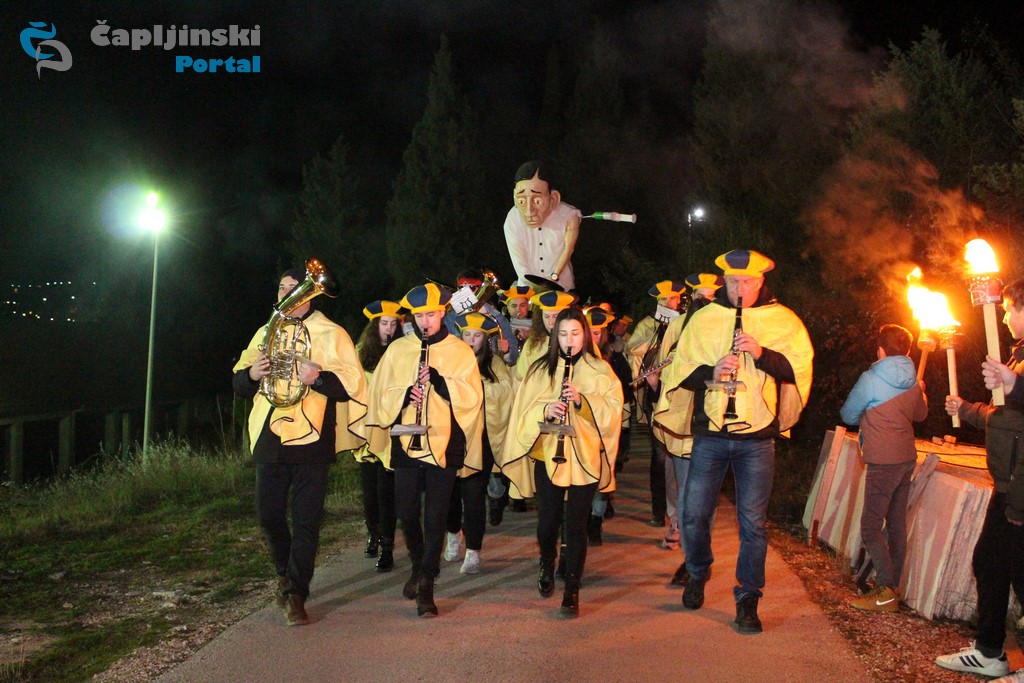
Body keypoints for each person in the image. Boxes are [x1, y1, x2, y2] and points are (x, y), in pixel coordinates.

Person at [663, 249, 813, 634]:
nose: (740, 289)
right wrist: (712, 370)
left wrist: (761, 354)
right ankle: (697, 571)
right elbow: (683, 371)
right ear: (724, 283)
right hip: (712, 432)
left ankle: (748, 597)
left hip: (756, 438)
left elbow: (797, 368)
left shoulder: (782, 319)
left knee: (753, 523)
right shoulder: (705, 317)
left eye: (747, 282)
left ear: (761, 282)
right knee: (694, 513)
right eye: (733, 282)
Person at [232, 267, 368, 627]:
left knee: (307, 521)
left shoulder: (332, 333)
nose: (287, 294)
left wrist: (318, 378)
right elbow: (239, 385)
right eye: (282, 288)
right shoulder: (266, 332)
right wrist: (251, 375)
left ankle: (296, 593)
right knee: (268, 514)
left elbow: (351, 387)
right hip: (270, 436)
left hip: (313, 437)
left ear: (309, 295)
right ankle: (285, 572)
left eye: (296, 289)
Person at [365, 283, 483, 618]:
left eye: (430, 314)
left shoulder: (460, 351)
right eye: (419, 316)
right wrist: (405, 395)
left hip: (445, 443)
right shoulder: (399, 350)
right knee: (405, 512)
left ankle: (428, 583)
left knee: (435, 517)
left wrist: (441, 382)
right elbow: (380, 393)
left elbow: (472, 396)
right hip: (405, 440)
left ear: (443, 312)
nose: (424, 321)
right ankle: (418, 565)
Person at [498, 308, 623, 618]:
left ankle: (572, 589)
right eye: (563, 334)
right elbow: (523, 410)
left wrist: (582, 402)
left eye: (576, 334)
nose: (570, 340)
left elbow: (613, 411)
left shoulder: (600, 370)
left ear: (585, 334)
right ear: (556, 336)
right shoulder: (541, 369)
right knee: (547, 522)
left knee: (577, 525)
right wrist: (545, 410)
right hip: (548, 453)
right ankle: (546, 562)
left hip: (584, 457)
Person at [935, 278, 1024, 679]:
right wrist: (968, 409)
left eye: (1009, 309)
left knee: (1019, 572)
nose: (1004, 316)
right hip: (1008, 484)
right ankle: (990, 652)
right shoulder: (1019, 356)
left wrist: (1015, 383)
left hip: (1021, 488)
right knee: (990, 562)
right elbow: (1005, 419)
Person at [839, 324, 928, 612]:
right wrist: (921, 393)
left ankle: (886, 589)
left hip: (883, 461)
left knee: (870, 526)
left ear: (880, 349)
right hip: (906, 458)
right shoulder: (913, 380)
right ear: (908, 351)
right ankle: (893, 588)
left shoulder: (871, 378)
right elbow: (921, 414)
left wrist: (869, 409)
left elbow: (848, 414)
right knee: (897, 525)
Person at [651, 272, 724, 586]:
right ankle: (691, 559)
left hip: (712, 422)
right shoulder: (677, 326)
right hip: (683, 423)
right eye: (699, 297)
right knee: (685, 496)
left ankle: (699, 559)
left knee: (705, 498)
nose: (703, 303)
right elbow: (667, 375)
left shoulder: (725, 326)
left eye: (709, 298)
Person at [442, 312, 514, 573]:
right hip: (451, 438)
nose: (471, 340)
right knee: (448, 496)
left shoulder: (494, 364)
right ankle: (452, 535)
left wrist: (479, 389)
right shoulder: (448, 361)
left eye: (477, 336)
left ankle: (473, 551)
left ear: (484, 339)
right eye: (467, 335)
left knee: (474, 497)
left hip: (480, 440)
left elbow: (506, 393)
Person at [626, 280, 687, 529]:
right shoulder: (647, 324)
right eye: (665, 300)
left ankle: (679, 510)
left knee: (679, 455)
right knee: (659, 456)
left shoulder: (685, 322)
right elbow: (633, 347)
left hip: (678, 394)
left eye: (672, 299)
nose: (669, 303)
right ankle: (658, 509)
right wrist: (658, 336)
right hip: (654, 393)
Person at [353, 300, 402, 573]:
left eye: (394, 324)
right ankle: (372, 533)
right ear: (374, 326)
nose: (389, 328)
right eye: (384, 323)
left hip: (389, 431)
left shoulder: (400, 352)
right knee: (370, 492)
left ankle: (387, 546)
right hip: (365, 429)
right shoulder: (360, 353)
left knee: (387, 492)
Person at [584, 307, 633, 546]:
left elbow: (624, 392)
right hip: (583, 427)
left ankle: (595, 521)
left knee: (604, 474)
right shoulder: (577, 358)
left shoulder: (614, 358)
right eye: (589, 332)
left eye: (597, 332)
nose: (593, 337)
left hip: (607, 426)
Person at [503, 161, 581, 291]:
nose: (529, 211)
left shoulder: (568, 215)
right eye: (521, 201)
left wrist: (554, 278)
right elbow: (520, 264)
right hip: (528, 292)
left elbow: (568, 249)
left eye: (537, 201)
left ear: (554, 198)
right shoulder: (512, 219)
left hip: (562, 289)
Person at [443, 268, 519, 366]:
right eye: (461, 288)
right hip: (459, 367)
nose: (466, 292)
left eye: (471, 288)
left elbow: (514, 357)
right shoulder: (451, 317)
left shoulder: (497, 317)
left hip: (489, 368)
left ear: (480, 288)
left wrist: (506, 351)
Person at [501, 285, 535, 351]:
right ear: (508, 308)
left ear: (528, 306)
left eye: (522, 305)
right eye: (514, 306)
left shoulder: (538, 322)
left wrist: (530, 336)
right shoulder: (500, 323)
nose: (518, 310)